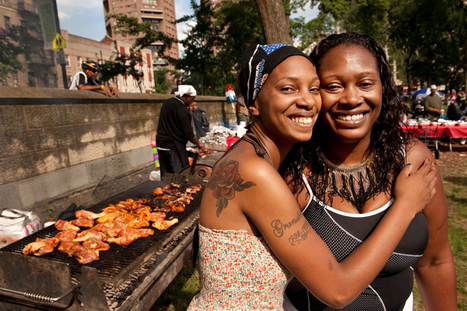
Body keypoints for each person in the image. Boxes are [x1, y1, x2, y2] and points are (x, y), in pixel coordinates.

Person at [187, 43, 437, 310]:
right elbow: (338, 291)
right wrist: (407, 205)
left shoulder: (253, 157)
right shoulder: (255, 172)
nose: (307, 101)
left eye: (314, 88)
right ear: (254, 104)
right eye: (288, 88)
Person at [284, 32, 457, 311]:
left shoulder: (412, 160)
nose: (352, 98)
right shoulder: (293, 172)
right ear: (314, 92)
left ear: (383, 89)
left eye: (365, 83)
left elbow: (436, 260)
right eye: (333, 86)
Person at [156, 85, 206, 178]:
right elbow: (188, 133)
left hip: (161, 144)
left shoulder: (167, 102)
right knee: (179, 174)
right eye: (192, 99)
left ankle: (165, 189)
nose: (192, 102)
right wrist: (198, 143)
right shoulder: (183, 110)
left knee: (165, 173)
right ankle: (178, 191)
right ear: (187, 97)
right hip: (173, 146)